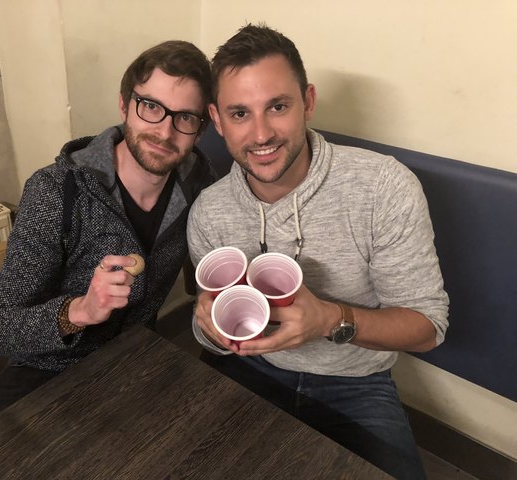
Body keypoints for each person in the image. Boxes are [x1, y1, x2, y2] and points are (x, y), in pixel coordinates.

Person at [188, 24, 448, 480]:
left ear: (307, 101)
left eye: (278, 106)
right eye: (239, 113)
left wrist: (329, 319)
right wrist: (208, 327)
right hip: (254, 372)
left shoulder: (383, 186)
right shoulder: (210, 211)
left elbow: (427, 329)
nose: (261, 133)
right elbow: (206, 330)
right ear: (217, 119)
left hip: (356, 385)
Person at [0, 40, 216, 424]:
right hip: (45, 373)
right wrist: (80, 311)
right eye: (151, 106)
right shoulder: (56, 191)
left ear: (200, 129)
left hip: (133, 365)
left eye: (184, 117)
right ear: (124, 105)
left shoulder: (200, 185)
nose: (165, 132)